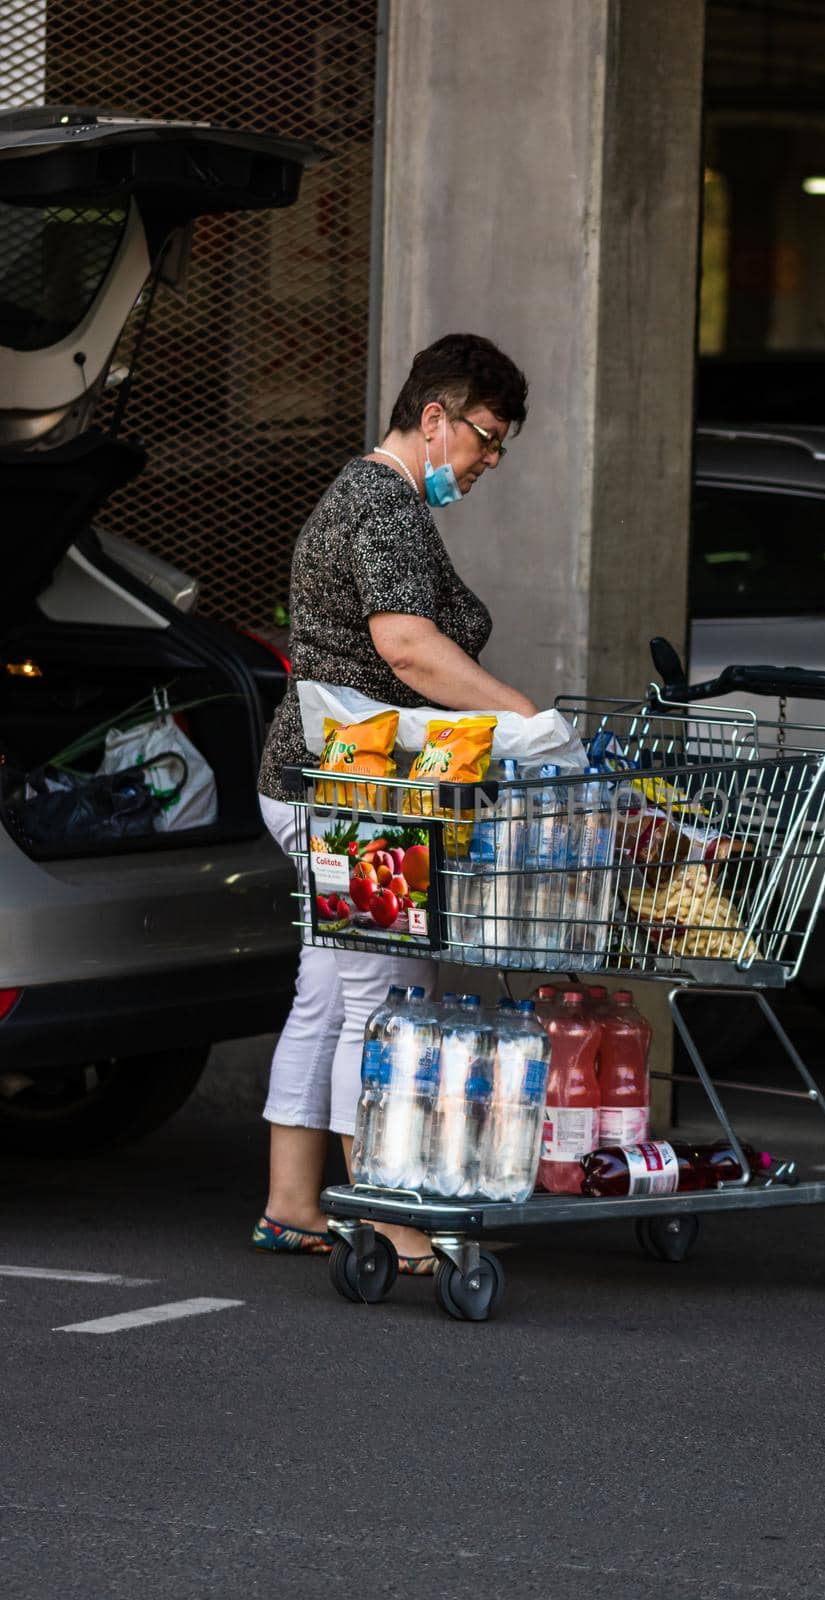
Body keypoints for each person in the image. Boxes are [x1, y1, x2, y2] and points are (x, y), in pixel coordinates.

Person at [254, 332, 536, 1270]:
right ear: (432, 418)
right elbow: (408, 647)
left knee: (329, 993)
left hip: (327, 780)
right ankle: (386, 1214)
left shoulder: (375, 499)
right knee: (381, 999)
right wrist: (524, 717)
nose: (490, 460)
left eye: (499, 445)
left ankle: (295, 1204)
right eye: (486, 437)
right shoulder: (382, 504)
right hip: (354, 789)